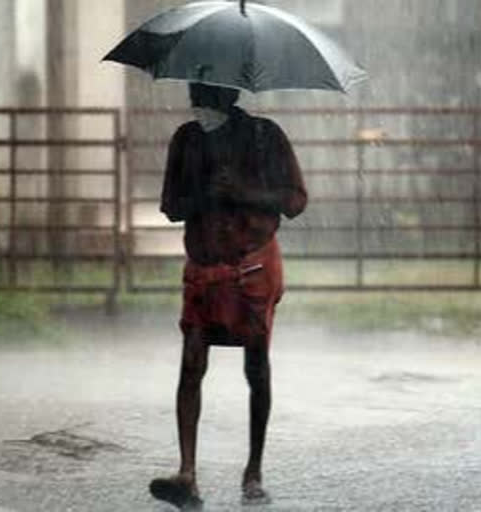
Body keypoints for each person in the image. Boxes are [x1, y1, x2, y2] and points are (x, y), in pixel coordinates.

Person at [149, 83, 307, 509]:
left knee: (256, 367)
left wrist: (243, 192)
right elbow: (171, 205)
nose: (195, 100)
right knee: (191, 362)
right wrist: (201, 193)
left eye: (204, 90)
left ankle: (253, 471)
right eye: (191, 90)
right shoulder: (187, 140)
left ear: (229, 92)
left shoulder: (264, 136)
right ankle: (187, 472)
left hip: (252, 264)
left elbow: (294, 200)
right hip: (204, 265)